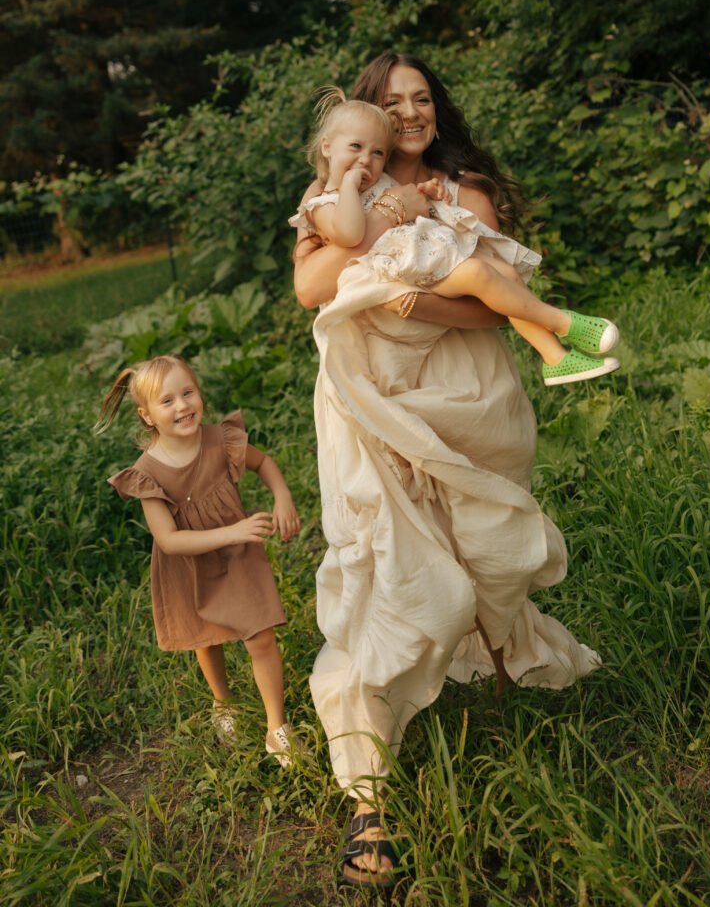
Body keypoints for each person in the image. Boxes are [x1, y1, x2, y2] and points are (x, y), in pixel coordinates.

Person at [293, 52, 602, 888]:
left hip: (464, 391)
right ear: (367, 115)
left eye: (422, 99)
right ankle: (368, 801)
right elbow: (312, 283)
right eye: (393, 103)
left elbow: (484, 302)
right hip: (371, 399)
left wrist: (405, 297)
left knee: (485, 555)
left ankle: (501, 704)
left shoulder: (462, 189)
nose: (411, 113)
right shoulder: (344, 187)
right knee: (379, 569)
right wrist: (373, 216)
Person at [291, 86, 620, 387]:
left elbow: (403, 206)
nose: (366, 159)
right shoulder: (322, 203)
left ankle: (555, 358)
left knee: (504, 272)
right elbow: (350, 233)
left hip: (431, 256)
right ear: (327, 147)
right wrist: (348, 184)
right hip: (408, 270)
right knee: (478, 273)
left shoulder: (381, 182)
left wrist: (424, 193)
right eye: (356, 147)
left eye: (378, 153)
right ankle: (565, 322)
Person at [97, 353, 302, 764]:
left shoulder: (219, 439)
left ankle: (276, 728)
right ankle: (223, 702)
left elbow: (264, 464)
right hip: (189, 565)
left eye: (187, 392)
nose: (183, 406)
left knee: (260, 636)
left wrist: (282, 497)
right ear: (147, 415)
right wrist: (235, 530)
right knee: (207, 641)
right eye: (167, 401)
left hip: (239, 557)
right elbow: (169, 540)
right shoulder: (147, 472)